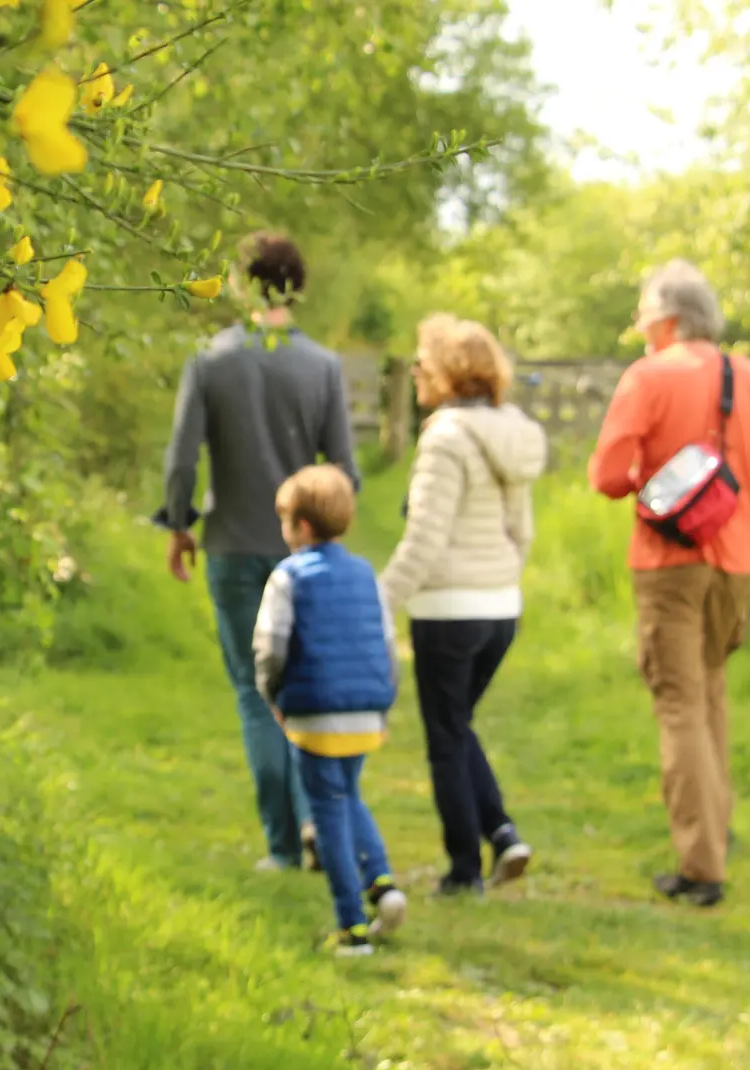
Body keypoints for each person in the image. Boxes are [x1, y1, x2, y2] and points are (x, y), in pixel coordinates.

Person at [588, 259, 750, 908]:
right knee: (712, 694)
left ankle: (701, 866)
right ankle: (715, 832)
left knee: (679, 705)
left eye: (643, 316)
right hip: (735, 562)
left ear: (668, 319)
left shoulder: (648, 378)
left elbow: (607, 477)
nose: (639, 329)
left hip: (669, 566)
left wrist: (652, 471)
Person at [159, 231, 359, 873]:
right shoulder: (323, 367)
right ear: (296, 288)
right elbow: (345, 470)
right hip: (305, 552)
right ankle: (317, 823)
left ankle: (281, 843)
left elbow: (181, 458)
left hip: (232, 545)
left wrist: (179, 525)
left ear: (243, 285)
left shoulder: (209, 360)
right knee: (309, 686)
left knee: (255, 692)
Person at [379, 315, 548, 897]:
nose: (417, 369)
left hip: (449, 610)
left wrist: (377, 602)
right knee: (458, 724)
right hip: (501, 607)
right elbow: (521, 531)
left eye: (424, 360)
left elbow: (424, 538)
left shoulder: (446, 436)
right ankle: (501, 833)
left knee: (445, 736)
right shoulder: (513, 432)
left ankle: (462, 871)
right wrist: (501, 581)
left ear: (449, 371)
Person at [253, 465, 406, 955]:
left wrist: (272, 696)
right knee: (348, 793)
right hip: (365, 713)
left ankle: (352, 928)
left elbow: (271, 650)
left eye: (284, 521)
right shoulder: (366, 574)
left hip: (315, 715)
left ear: (300, 527)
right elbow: (388, 648)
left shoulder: (287, 576)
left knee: (328, 814)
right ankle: (382, 883)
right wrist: (382, 703)